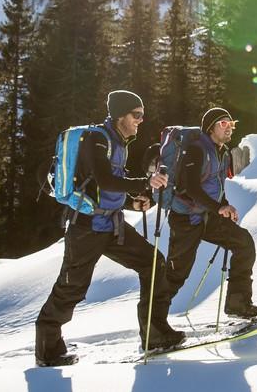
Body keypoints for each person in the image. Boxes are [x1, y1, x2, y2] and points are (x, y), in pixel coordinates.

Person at [34, 90, 185, 367]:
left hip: (112, 225)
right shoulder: (96, 139)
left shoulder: (119, 142)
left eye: (142, 115)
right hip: (86, 228)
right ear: (120, 115)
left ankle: (155, 333)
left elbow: (109, 185)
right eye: (136, 115)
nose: (140, 121)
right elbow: (103, 179)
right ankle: (47, 349)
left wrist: (131, 203)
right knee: (72, 288)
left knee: (153, 264)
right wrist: (145, 182)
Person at [157, 107, 257, 319]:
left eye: (231, 124)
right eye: (223, 123)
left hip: (209, 217)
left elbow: (215, 187)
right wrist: (218, 207)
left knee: (244, 244)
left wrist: (225, 206)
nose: (229, 128)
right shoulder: (197, 149)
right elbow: (191, 188)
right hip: (186, 219)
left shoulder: (221, 152)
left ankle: (238, 304)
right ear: (210, 127)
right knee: (176, 274)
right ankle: (154, 323)